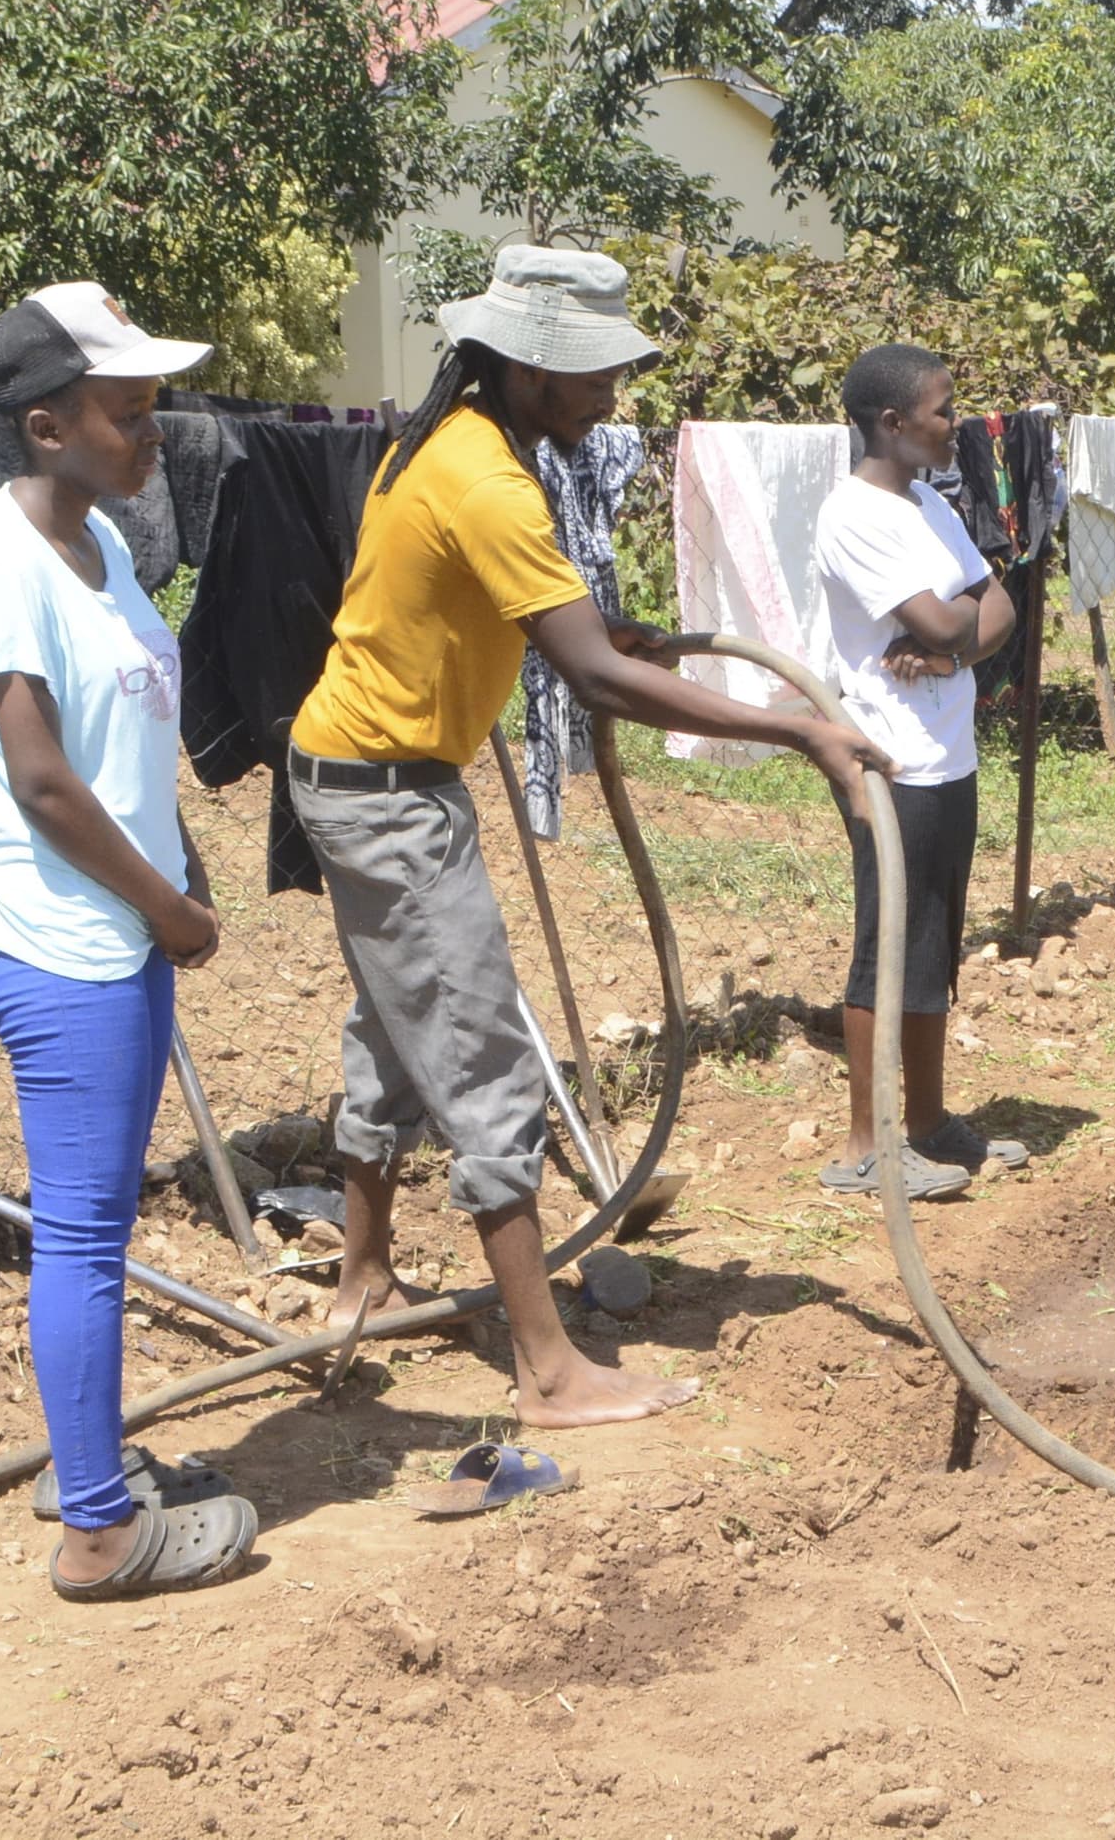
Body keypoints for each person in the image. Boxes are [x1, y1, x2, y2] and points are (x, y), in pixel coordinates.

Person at [291, 245, 893, 1425]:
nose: (614, 396)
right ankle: (548, 1369)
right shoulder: (489, 481)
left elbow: (532, 623)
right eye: (595, 376)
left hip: (360, 775)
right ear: (527, 370)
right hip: (387, 793)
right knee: (479, 1050)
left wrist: (601, 628)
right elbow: (594, 681)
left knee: (395, 1025)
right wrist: (798, 733)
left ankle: (362, 1275)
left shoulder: (453, 444)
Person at [0, 281, 253, 1601]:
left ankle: (95, 1477)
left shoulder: (105, 546)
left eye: (152, 403)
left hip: (112, 927)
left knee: (93, 1228)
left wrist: (173, 862)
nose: (154, 430)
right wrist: (169, 906)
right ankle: (101, 1531)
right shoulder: (1, 564)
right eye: (129, 410)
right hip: (66, 941)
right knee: (82, 1237)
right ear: (49, 424)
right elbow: (45, 782)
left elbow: (118, 744)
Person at [810, 344, 1019, 1198]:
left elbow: (1001, 601)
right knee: (887, 943)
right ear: (892, 424)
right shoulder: (854, 515)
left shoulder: (930, 502)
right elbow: (949, 620)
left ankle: (927, 1122)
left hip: (947, 750)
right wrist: (955, 638)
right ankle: (867, 1145)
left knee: (934, 939)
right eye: (942, 409)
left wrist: (948, 654)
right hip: (887, 758)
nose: (955, 421)